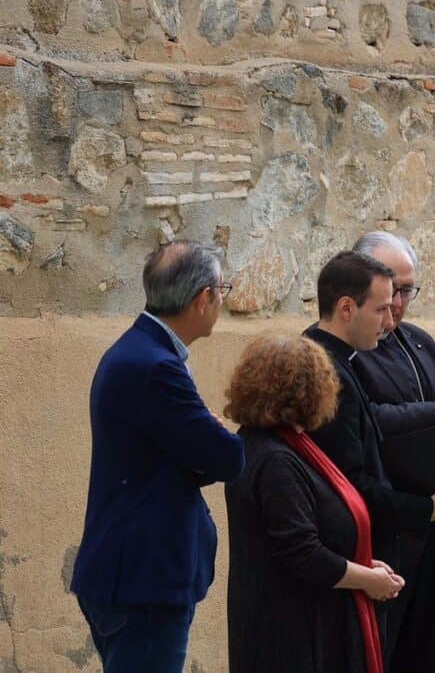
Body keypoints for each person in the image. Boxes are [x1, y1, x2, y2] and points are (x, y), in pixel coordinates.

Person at [70, 240, 245, 673]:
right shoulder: (154, 366)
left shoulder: (142, 352)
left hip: (134, 579)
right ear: (203, 298)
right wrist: (215, 434)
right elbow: (228, 458)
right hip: (143, 586)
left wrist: (203, 438)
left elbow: (166, 456)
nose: (222, 300)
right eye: (223, 290)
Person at [303, 250, 435, 664]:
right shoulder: (328, 371)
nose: (389, 319)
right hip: (365, 549)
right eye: (380, 307)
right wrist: (425, 509)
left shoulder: (350, 359)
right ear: (346, 308)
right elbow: (349, 484)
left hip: (401, 542)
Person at [223, 335, 404, 673]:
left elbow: (314, 529)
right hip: (292, 632)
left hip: (296, 621)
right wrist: (367, 579)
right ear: (310, 390)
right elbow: (301, 552)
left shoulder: (279, 445)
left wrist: (365, 562)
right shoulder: (276, 459)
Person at [351, 232, 435, 672]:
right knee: (382, 654)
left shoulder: (419, 340)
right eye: (393, 290)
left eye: (408, 290)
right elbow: (370, 421)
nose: (401, 303)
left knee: (431, 653)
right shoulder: (349, 350)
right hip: (387, 530)